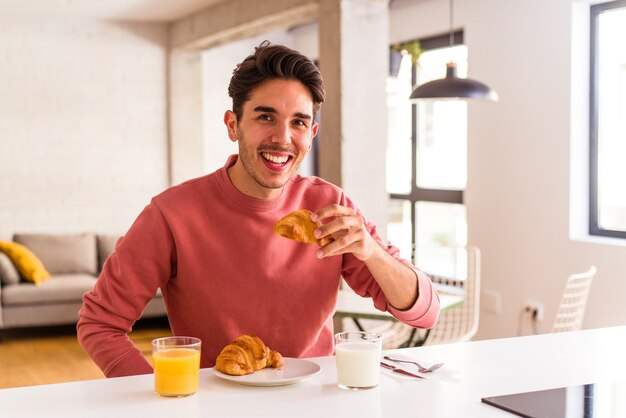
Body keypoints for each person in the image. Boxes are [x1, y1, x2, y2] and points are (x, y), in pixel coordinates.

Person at [77, 41, 440, 378]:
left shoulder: (331, 206)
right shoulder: (171, 215)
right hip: (217, 406)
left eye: (297, 122)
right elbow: (100, 323)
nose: (282, 138)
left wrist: (372, 252)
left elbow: (424, 311)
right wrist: (161, 395)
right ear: (233, 125)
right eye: (265, 117)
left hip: (316, 403)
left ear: (311, 134)